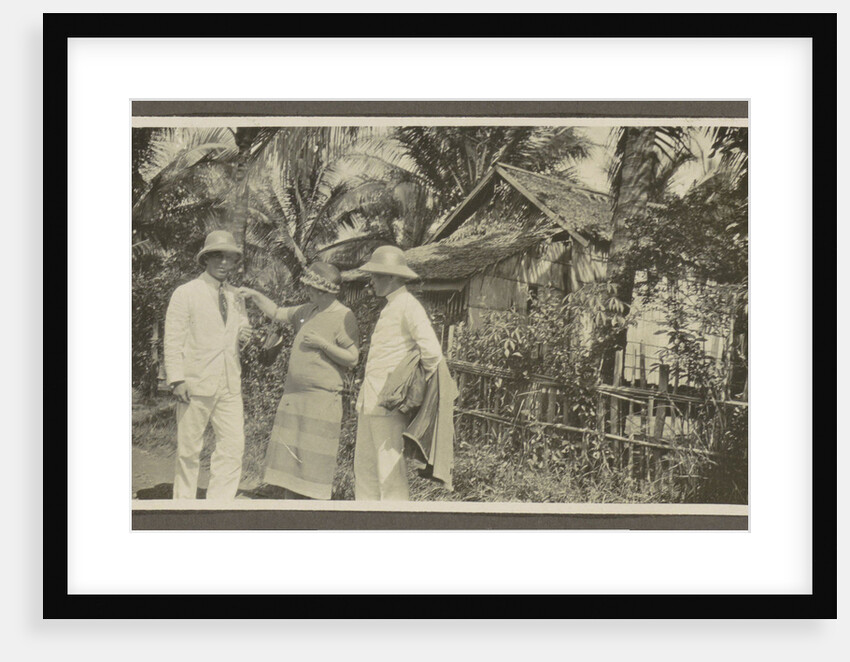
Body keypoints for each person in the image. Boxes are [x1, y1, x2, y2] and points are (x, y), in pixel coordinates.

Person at [240, 262, 359, 500]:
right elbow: (275, 311)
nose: (307, 292)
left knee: (313, 457)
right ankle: (288, 502)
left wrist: (323, 345)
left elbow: (353, 358)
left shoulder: (344, 316)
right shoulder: (308, 311)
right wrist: (254, 295)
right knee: (290, 455)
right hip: (295, 396)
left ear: (323, 292)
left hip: (320, 399)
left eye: (311, 289)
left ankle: (311, 507)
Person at [163, 230, 253, 500]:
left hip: (229, 382)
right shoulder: (186, 293)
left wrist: (245, 335)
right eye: (218, 257)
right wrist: (177, 379)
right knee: (189, 449)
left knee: (233, 445)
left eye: (230, 258)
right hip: (194, 382)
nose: (224, 263)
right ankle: (184, 504)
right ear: (206, 260)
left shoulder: (237, 296)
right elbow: (173, 338)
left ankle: (219, 504)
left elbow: (240, 331)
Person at [354, 245, 443, 501]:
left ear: (392, 277)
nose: (371, 281)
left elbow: (432, 353)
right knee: (365, 469)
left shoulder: (408, 306)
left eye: (376, 275)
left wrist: (412, 392)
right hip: (371, 402)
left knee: (389, 473)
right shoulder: (390, 306)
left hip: (390, 405)